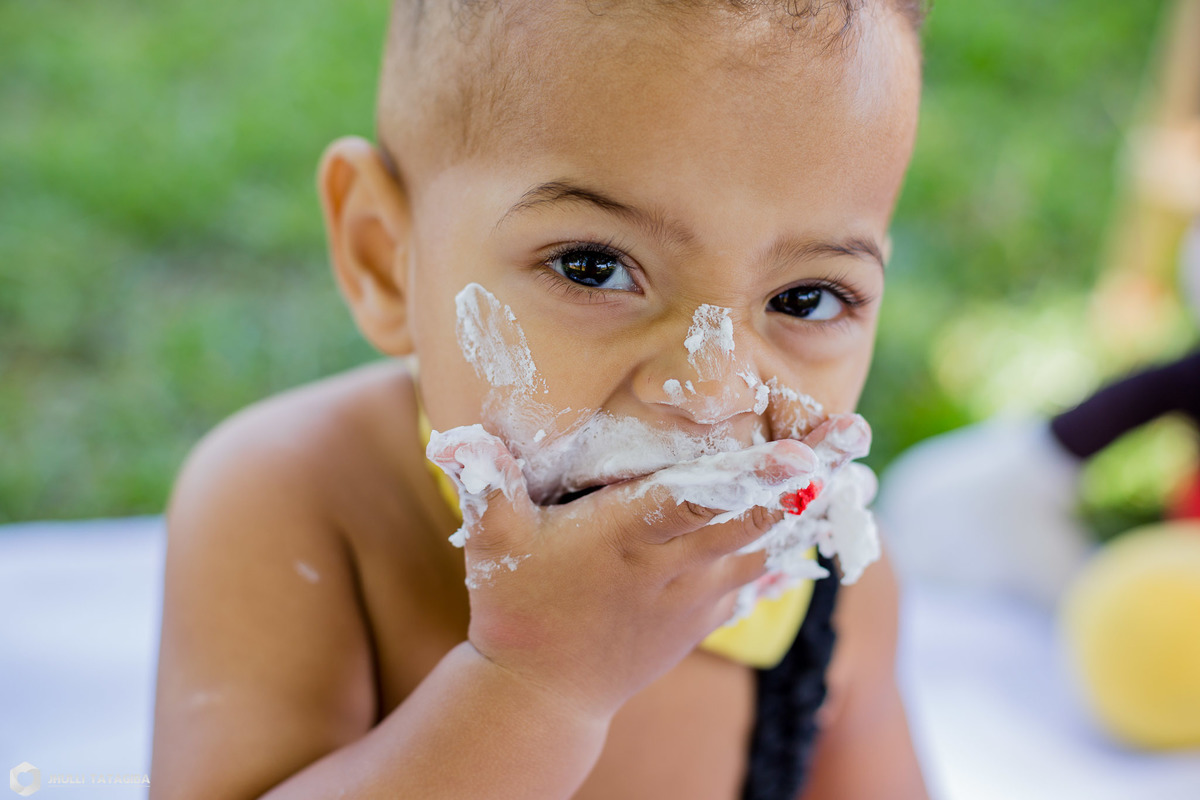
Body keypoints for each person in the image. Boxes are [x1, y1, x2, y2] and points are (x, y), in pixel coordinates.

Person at [149, 1, 929, 798]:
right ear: (386, 256)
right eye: (594, 267)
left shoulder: (832, 583)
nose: (712, 394)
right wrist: (536, 684)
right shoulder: (293, 504)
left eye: (806, 299)